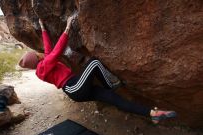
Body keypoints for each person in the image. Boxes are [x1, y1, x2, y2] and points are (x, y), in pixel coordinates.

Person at [18, 16, 176, 124]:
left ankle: (152, 114)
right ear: (36, 59)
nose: (39, 53)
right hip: (73, 88)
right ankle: (112, 84)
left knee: (114, 99)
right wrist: (67, 28)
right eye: (36, 54)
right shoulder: (43, 67)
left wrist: (42, 28)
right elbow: (56, 51)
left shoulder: (43, 63)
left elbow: (48, 49)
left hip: (77, 89)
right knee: (93, 63)